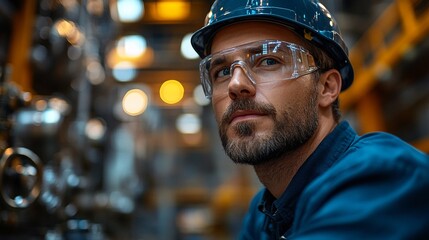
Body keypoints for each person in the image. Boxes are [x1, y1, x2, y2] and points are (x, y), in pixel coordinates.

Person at [190, 0, 429, 239]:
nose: (235, 84)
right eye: (222, 72)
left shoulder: (381, 179)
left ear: (326, 87)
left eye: (268, 61)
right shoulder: (263, 214)